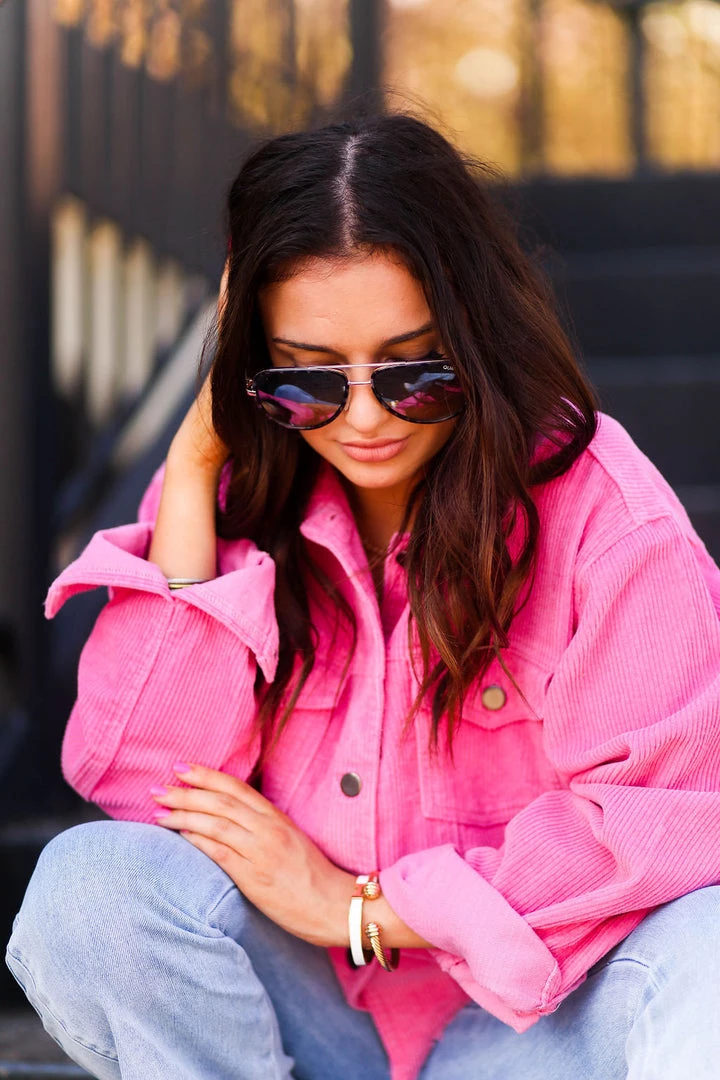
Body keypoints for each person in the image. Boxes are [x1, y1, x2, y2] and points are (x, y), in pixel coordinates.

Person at [6, 113, 720, 1080]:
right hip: (312, 1017)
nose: (366, 418)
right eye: (308, 380)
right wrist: (193, 464)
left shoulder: (605, 514)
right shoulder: (231, 496)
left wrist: (361, 907)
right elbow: (144, 789)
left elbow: (665, 822)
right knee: (91, 886)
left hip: (542, 1028)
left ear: (476, 332)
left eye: (413, 369)